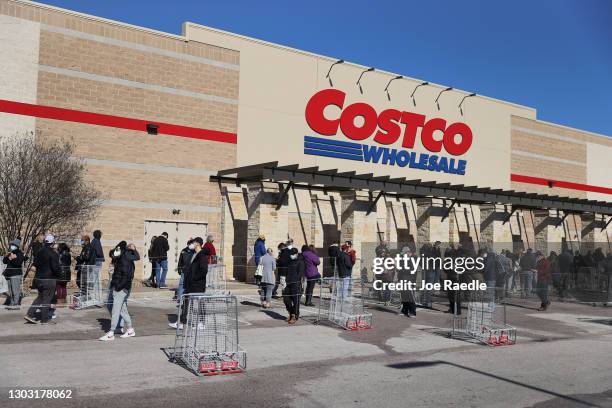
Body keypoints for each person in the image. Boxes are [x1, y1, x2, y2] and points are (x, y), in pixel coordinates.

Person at [99, 241, 139, 340]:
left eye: (115, 253)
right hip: (123, 288)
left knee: (116, 310)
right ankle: (130, 330)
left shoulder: (124, 259)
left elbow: (126, 276)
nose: (113, 257)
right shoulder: (124, 257)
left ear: (119, 250)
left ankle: (111, 333)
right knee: (122, 309)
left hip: (121, 288)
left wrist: (118, 287)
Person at [170, 237, 210, 330]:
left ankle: (201, 323)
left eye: (194, 242)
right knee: (186, 302)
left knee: (200, 303)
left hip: (198, 284)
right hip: (190, 284)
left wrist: (194, 278)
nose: (192, 244)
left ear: (198, 244)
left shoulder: (202, 255)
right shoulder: (193, 254)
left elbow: (203, 270)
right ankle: (182, 322)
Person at [25, 234, 60, 324]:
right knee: (47, 299)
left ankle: (30, 314)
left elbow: (35, 264)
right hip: (49, 279)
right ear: (53, 243)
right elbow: (55, 268)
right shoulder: (53, 253)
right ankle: (44, 319)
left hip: (39, 278)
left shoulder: (39, 251)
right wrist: (59, 276)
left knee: (40, 297)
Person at [282, 247, 304, 324]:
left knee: (296, 301)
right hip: (288, 283)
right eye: (291, 254)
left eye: (293, 254)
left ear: (297, 254)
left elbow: (300, 273)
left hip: (296, 284)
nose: (292, 255)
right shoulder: (290, 262)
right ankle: (291, 313)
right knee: (286, 299)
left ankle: (295, 316)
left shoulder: (300, 262)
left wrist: (296, 281)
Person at [3, 238, 24, 309]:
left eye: (13, 245)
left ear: (16, 246)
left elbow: (18, 263)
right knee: (10, 290)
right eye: (11, 245)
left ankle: (16, 304)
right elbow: (4, 261)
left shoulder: (20, 254)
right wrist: (9, 257)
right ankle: (12, 303)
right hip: (9, 273)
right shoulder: (10, 253)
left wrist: (13, 258)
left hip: (16, 274)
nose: (11, 246)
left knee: (15, 290)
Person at [398, 247, 417, 317]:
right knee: (404, 296)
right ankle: (404, 310)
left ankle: (412, 311)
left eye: (404, 253)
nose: (403, 255)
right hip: (402, 279)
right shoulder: (402, 259)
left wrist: (401, 270)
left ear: (408, 253)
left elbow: (412, 271)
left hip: (409, 280)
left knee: (409, 296)